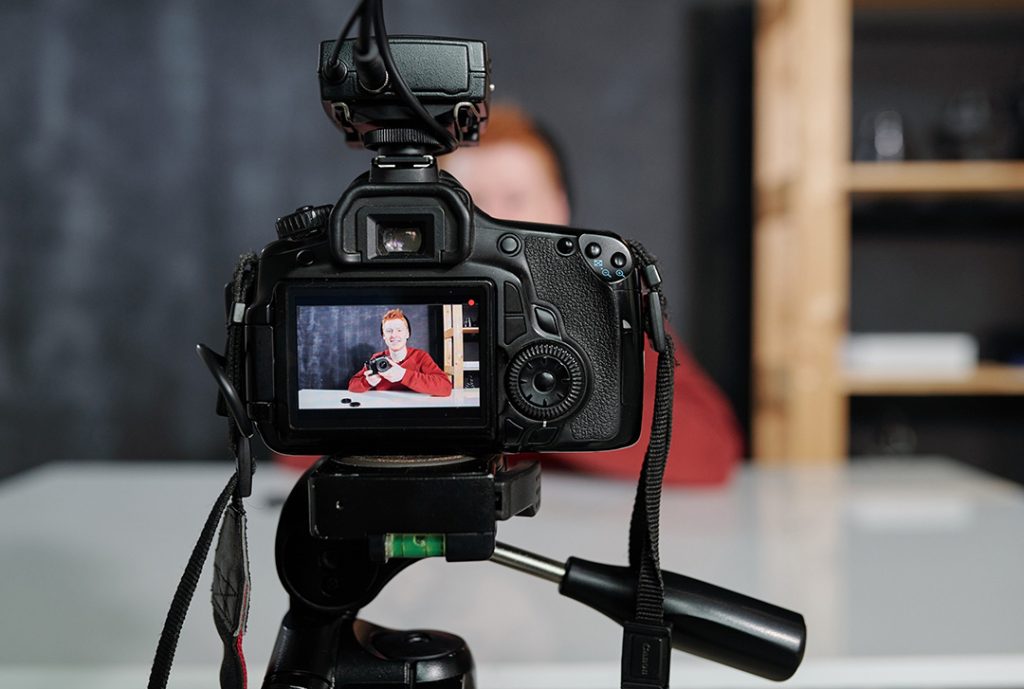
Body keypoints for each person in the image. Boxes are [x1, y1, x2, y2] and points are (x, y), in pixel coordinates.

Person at [441, 104, 742, 485]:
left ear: (558, 206)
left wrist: (544, 396)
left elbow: (709, 451)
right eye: (475, 205)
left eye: (515, 199)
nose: (497, 223)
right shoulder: (416, 307)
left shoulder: (600, 300)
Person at [347, 308, 453, 396]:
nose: (394, 335)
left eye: (399, 330)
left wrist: (403, 375)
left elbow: (446, 387)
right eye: (389, 331)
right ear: (384, 336)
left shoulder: (420, 357)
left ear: (407, 334)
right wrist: (367, 382)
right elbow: (352, 386)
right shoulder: (377, 359)